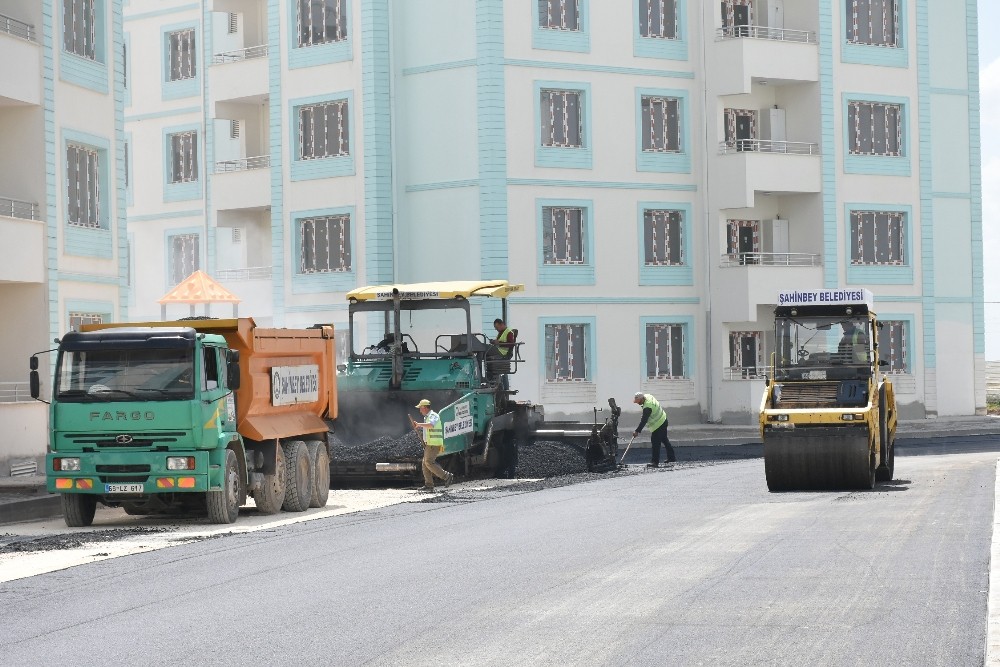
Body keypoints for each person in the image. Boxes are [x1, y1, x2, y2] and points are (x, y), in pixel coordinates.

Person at [409, 398, 454, 492]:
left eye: (420, 408)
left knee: (429, 462)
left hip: (434, 444)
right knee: (425, 464)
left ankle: (447, 476)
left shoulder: (433, 416)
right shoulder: (427, 417)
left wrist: (419, 425)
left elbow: (431, 425)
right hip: (430, 444)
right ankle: (429, 485)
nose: (420, 410)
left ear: (425, 407)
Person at [633, 391, 675, 468]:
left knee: (655, 442)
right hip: (663, 419)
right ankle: (672, 458)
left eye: (638, 402)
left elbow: (644, 420)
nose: (637, 403)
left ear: (642, 399)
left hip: (658, 424)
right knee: (665, 440)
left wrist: (637, 431)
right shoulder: (648, 396)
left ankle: (655, 462)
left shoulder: (647, 407)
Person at [485, 318, 517, 390]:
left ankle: (480, 375)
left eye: (497, 327)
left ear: (501, 324)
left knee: (484, 348)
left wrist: (499, 343)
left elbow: (511, 344)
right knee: (485, 350)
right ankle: (488, 375)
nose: (496, 329)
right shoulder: (501, 332)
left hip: (502, 352)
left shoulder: (508, 332)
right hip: (498, 350)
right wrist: (494, 342)